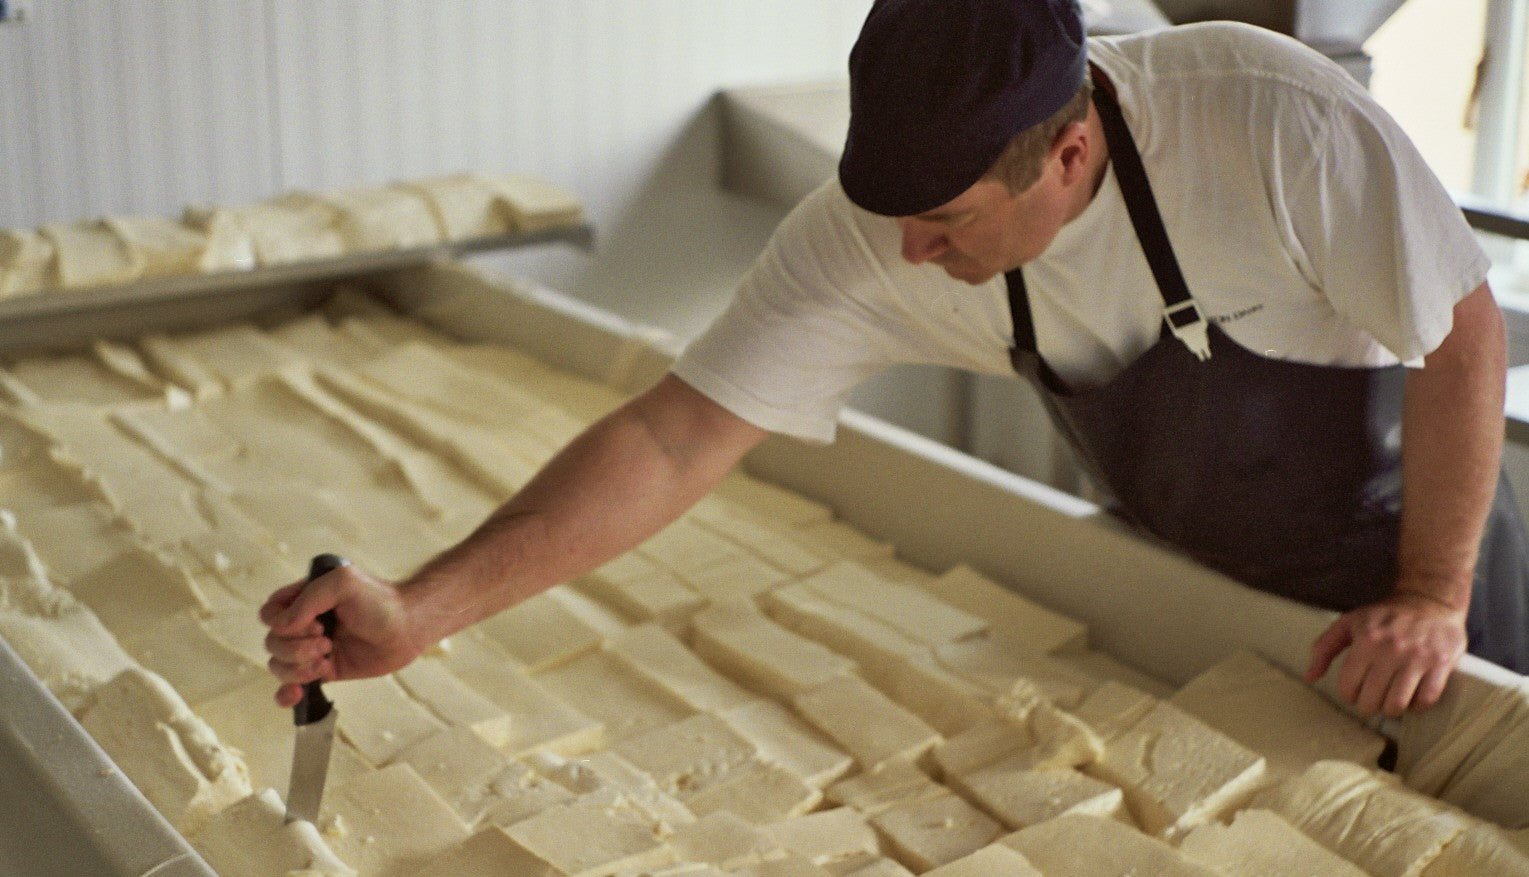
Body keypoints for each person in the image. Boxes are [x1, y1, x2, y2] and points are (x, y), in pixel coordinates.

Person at [263, 0, 1529, 720]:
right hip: (1195, 588)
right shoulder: (872, 235)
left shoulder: (1273, 123)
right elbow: (670, 436)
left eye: (949, 225)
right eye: (894, 220)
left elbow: (1460, 333)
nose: (909, 255)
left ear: (1069, 155)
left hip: (1424, 588)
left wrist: (1427, 591)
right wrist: (420, 613)